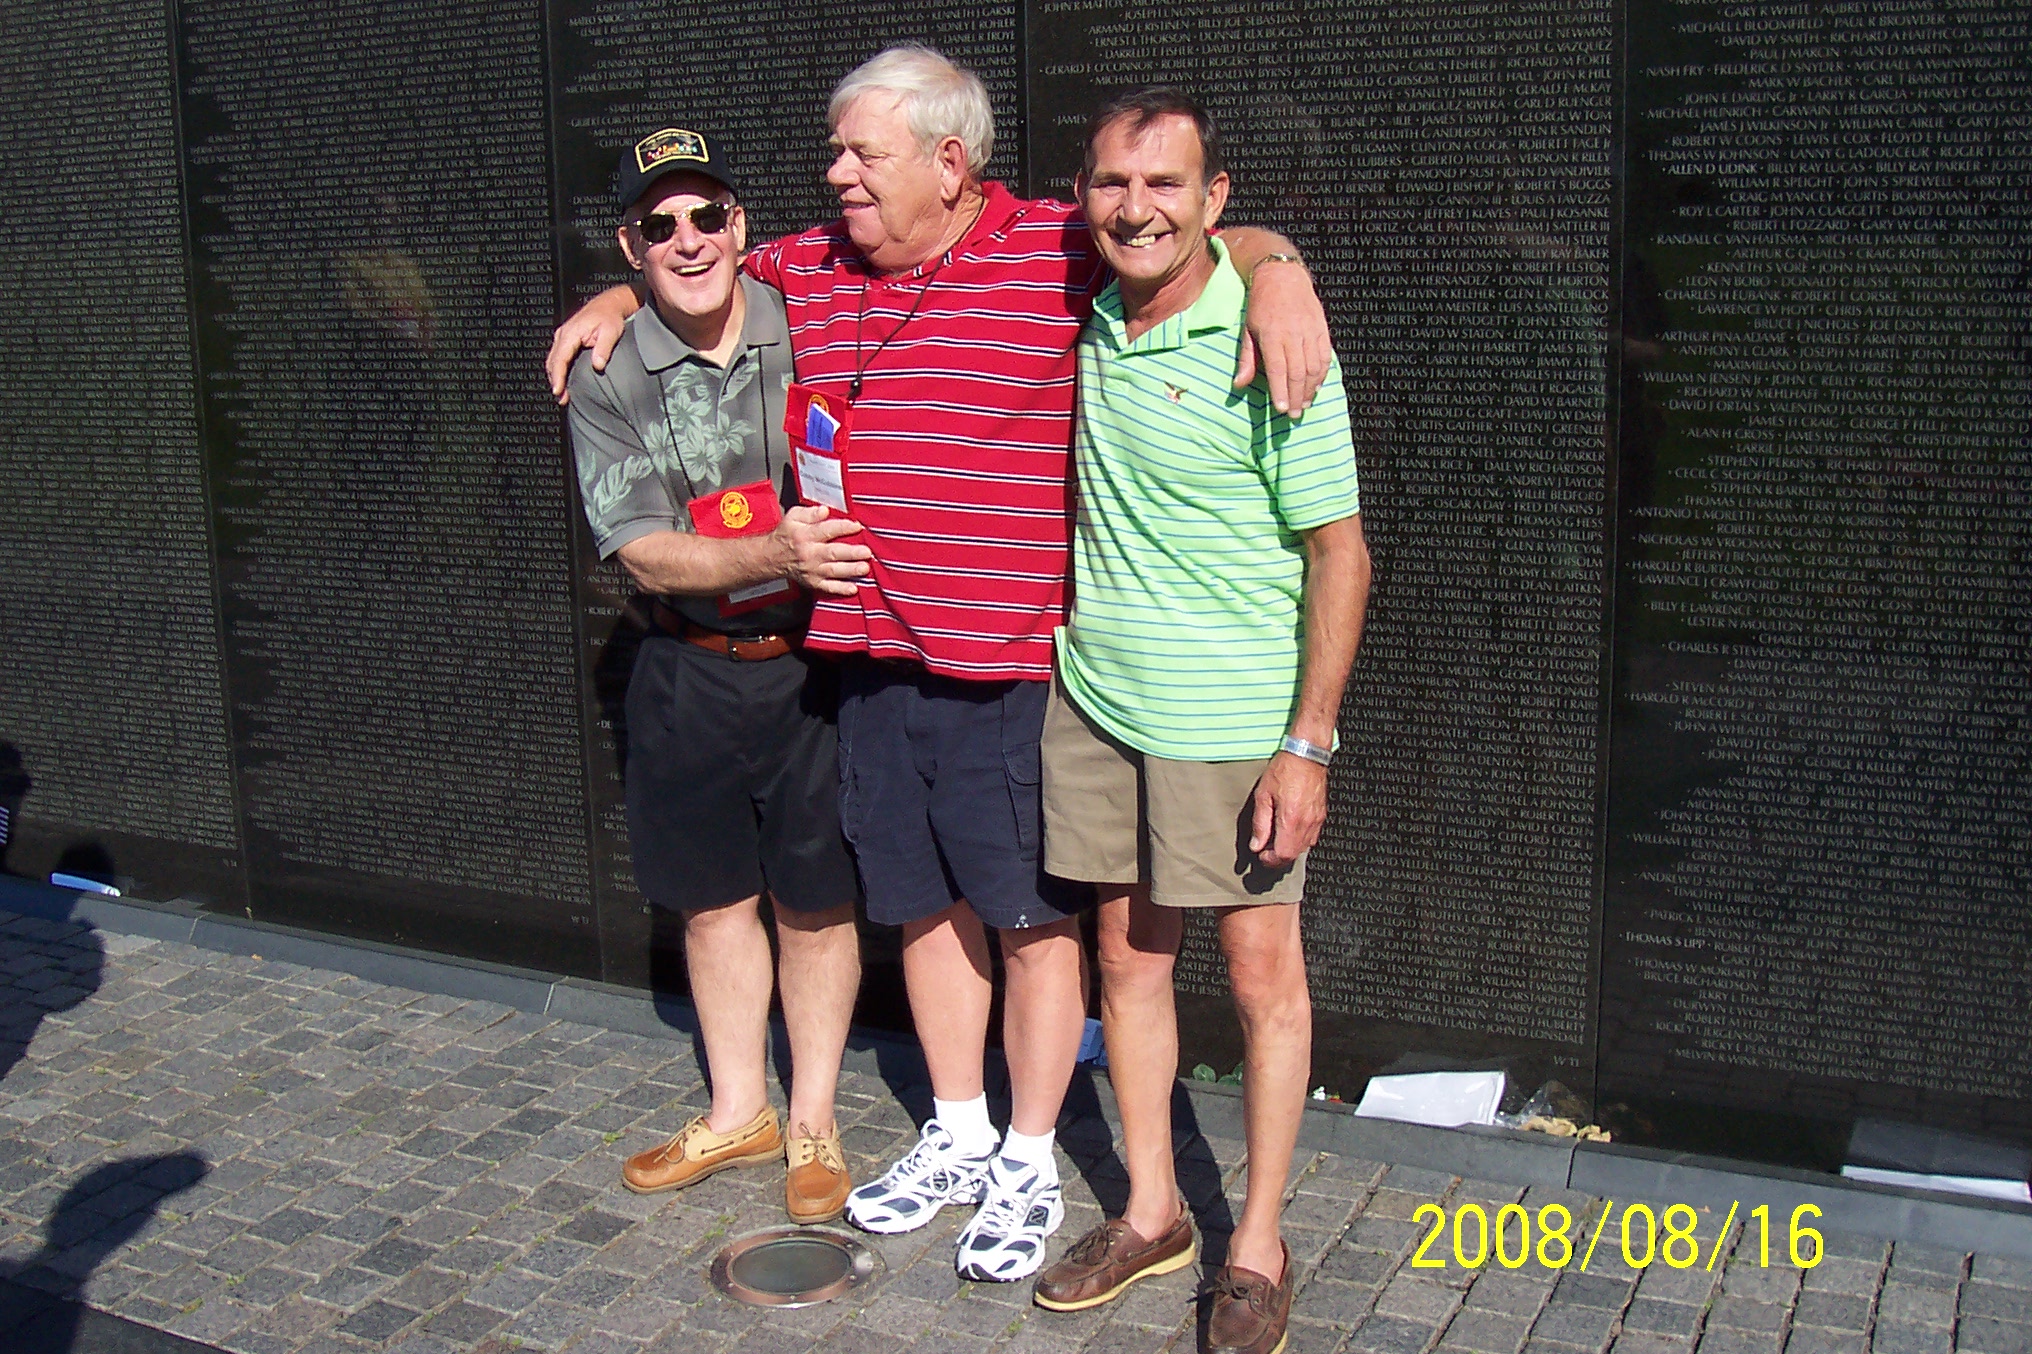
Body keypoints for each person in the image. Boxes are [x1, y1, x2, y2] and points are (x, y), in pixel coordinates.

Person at [547, 48, 1333, 1281]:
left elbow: (1172, 237)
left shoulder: (1049, 247)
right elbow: (697, 267)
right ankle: (959, 1130)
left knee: (1027, 922)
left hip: (1004, 668)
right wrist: (613, 300)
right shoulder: (812, 264)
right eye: (836, 153)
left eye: (862, 153)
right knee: (918, 906)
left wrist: (1277, 268)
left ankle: (1029, 1150)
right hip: (870, 661)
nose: (836, 175)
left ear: (950, 162)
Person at [1029, 90, 1370, 1354]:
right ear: (1082, 195)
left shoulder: (1270, 336)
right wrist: (625, 295)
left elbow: (1340, 553)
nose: (1137, 210)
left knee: (1260, 978)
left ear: (1214, 199)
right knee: (1126, 964)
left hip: (1230, 723)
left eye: (1166, 184)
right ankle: (1154, 1211)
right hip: (1097, 702)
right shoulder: (1086, 314)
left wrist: (1306, 743)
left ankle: (1258, 1244)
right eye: (1113, 183)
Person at [564, 126, 875, 1225]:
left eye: (706, 215)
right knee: (710, 901)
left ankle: (813, 1119)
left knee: (816, 899)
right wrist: (776, 552)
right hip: (687, 665)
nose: (687, 240)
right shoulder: (605, 372)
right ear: (629, 245)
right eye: (659, 225)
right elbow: (643, 549)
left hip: (813, 666)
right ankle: (740, 1108)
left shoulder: (811, 318)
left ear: (741, 225)